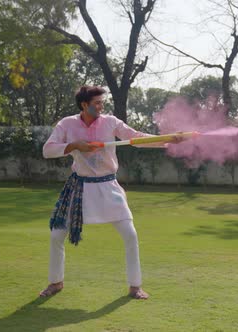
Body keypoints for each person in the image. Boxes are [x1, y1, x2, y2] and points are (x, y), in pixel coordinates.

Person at [39, 85, 161, 300]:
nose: (101, 106)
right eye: (97, 103)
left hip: (108, 186)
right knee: (57, 235)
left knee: (130, 235)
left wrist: (169, 140)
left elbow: (136, 137)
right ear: (84, 105)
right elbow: (48, 150)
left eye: (101, 102)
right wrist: (74, 145)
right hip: (79, 187)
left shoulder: (111, 122)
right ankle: (55, 282)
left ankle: (135, 287)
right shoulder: (66, 124)